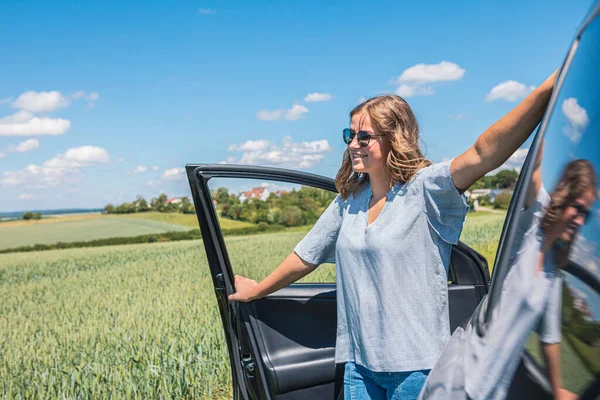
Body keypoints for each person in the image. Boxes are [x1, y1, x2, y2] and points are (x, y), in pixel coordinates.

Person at [229, 70, 558, 399]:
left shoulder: (426, 189)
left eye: (364, 137)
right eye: (350, 134)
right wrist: (258, 289)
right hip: (359, 366)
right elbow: (305, 257)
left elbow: (483, 153)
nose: (352, 145)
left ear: (393, 138)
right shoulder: (349, 201)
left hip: (416, 368)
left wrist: (547, 89)